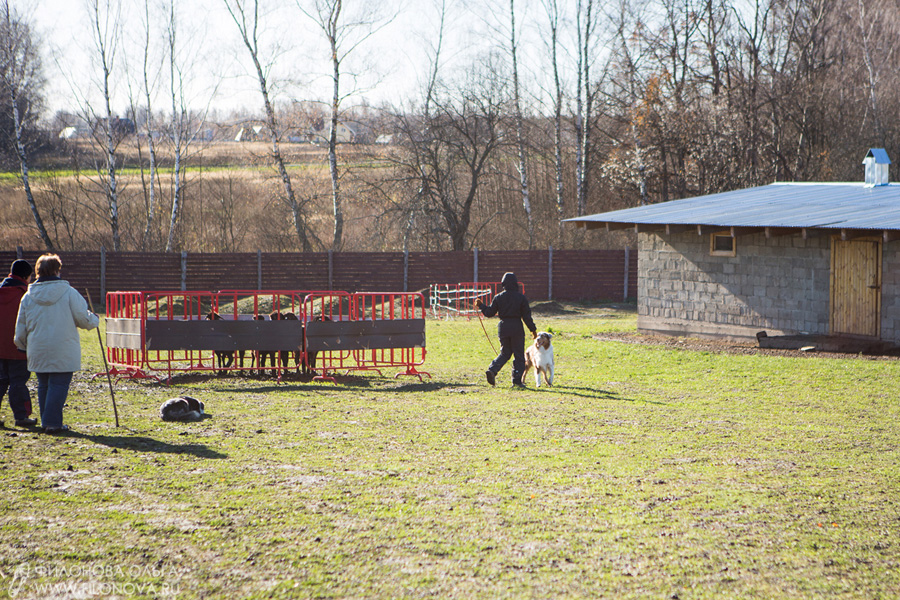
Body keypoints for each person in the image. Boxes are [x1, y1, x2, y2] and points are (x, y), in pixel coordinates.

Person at [13, 254, 99, 433]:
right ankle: (52, 423)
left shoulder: (28, 296)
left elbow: (21, 326)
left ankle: (47, 420)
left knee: (44, 385)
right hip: (63, 348)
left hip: (37, 348)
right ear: (57, 270)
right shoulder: (68, 292)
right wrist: (95, 320)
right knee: (58, 385)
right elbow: (83, 319)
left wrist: (22, 345)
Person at [476, 272, 537, 388]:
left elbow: (489, 313)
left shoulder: (498, 297)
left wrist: (481, 305)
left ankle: (492, 370)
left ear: (503, 284)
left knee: (505, 353)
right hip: (516, 327)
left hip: (503, 327)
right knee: (519, 355)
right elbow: (527, 317)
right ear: (515, 284)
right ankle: (517, 381)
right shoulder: (521, 298)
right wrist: (533, 330)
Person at [0, 259, 35, 427]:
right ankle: (21, 417)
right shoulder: (25, 295)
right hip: (18, 347)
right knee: (18, 382)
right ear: (26, 276)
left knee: (1, 381)